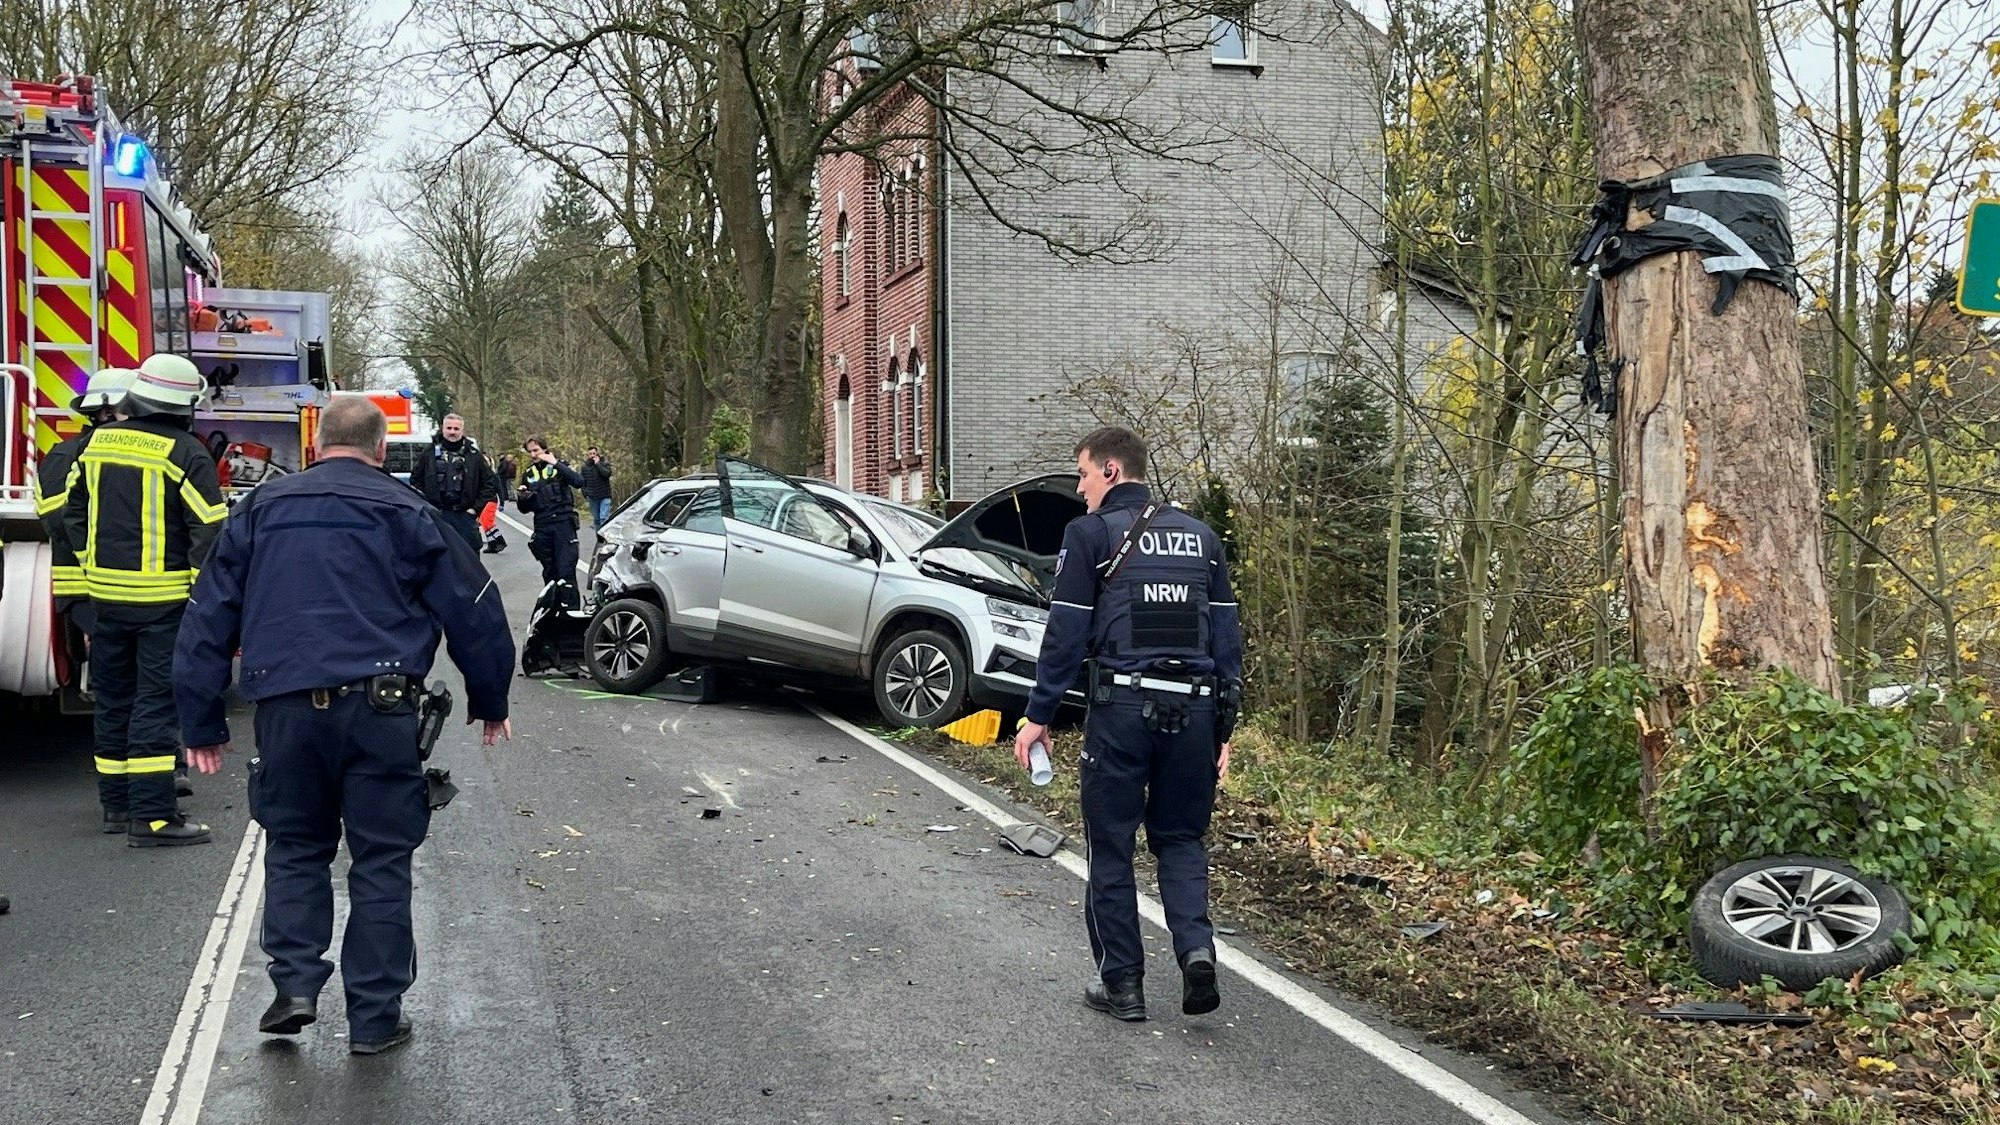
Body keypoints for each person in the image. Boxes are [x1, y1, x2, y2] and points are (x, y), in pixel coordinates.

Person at [174, 396, 515, 1057]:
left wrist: (202, 720)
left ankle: (294, 985)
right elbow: (475, 607)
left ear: (317, 443)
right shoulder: (410, 512)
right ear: (381, 450)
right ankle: (374, 1017)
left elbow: (207, 614)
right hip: (380, 710)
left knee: (297, 845)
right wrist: (490, 699)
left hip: (286, 710)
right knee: (381, 859)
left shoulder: (259, 511)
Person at [1011, 426, 1243, 1022]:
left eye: (1084, 475)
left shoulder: (1089, 535)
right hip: (1193, 712)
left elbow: (1065, 632)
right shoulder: (1202, 538)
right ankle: (1196, 950)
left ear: (1111, 470)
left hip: (1123, 712)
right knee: (1181, 839)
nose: (1081, 489)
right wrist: (1224, 729)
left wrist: (1038, 715)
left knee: (1112, 845)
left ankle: (1123, 985)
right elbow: (1225, 642)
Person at [64, 353, 228, 846]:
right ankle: (155, 818)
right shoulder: (188, 453)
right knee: (155, 707)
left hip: (106, 601)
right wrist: (205, 597)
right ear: (185, 404)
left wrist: (94, 566)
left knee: (113, 701)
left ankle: (115, 807)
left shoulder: (96, 443)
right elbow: (210, 531)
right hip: (164, 605)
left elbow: (72, 513)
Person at [407, 413, 497, 552]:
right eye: (449, 428)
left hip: (464, 517)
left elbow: (489, 485)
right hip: (436, 516)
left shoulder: (474, 456)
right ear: (443, 429)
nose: (452, 432)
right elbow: (415, 482)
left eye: (456, 429)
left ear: (462, 431)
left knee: (469, 564)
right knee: (436, 561)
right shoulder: (429, 454)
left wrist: (474, 510)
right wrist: (427, 506)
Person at [516, 436, 584, 597]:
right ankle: (552, 612)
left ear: (545, 449)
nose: (533, 455)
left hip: (563, 524)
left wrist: (555, 463)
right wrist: (522, 497)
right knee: (549, 573)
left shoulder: (559, 467)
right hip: (542, 526)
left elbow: (578, 481)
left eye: (536, 450)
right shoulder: (528, 474)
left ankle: (571, 611)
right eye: (530, 451)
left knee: (566, 571)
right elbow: (524, 510)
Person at [579, 446, 614, 529]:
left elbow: (607, 474)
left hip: (604, 495)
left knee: (604, 518)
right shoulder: (584, 467)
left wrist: (598, 464)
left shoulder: (604, 463)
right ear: (587, 455)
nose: (592, 455)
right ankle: (599, 538)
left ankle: (605, 537)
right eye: (590, 454)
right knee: (597, 519)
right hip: (592, 497)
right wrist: (585, 493)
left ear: (597, 453)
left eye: (594, 453)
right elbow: (582, 481)